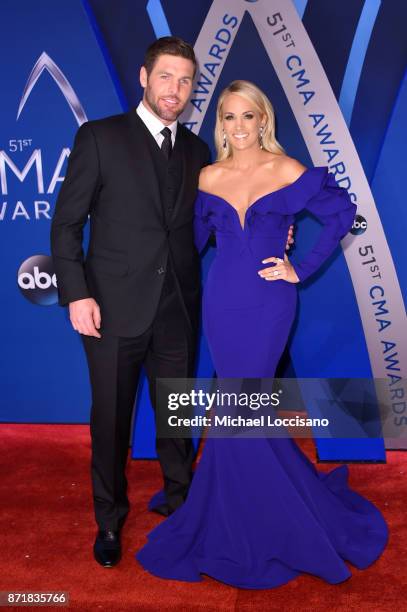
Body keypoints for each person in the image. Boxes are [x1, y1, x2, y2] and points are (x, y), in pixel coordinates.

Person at [136, 80, 389, 589]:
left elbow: (342, 214)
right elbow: (190, 242)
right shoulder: (207, 176)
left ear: (263, 120)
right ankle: (252, 510)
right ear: (221, 125)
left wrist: (301, 266)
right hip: (223, 301)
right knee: (238, 407)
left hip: (271, 302)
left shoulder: (287, 169)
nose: (239, 126)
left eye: (248, 116)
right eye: (228, 117)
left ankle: (250, 521)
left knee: (237, 405)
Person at [50, 39, 292, 569]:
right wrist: (77, 294)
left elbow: (213, 226)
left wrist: (275, 236)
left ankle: (183, 504)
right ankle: (109, 522)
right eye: (166, 78)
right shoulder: (100, 137)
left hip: (179, 307)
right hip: (109, 310)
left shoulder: (199, 152)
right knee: (110, 420)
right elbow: (66, 224)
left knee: (176, 419)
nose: (175, 91)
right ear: (144, 77)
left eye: (185, 81)